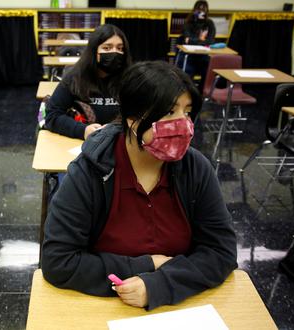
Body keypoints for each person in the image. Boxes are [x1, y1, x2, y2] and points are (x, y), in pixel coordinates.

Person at [42, 61, 237, 310]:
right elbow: (58, 261)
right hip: (100, 309)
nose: (183, 124)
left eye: (187, 112)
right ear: (133, 120)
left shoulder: (195, 168)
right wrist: (147, 265)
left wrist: (159, 284)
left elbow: (221, 251)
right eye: (169, 112)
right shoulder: (91, 172)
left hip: (181, 308)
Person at [44, 24, 132, 140]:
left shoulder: (130, 79)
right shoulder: (75, 78)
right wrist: (83, 130)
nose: (115, 52)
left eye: (120, 48)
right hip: (82, 144)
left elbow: (143, 115)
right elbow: (52, 115)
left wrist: (120, 128)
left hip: (121, 143)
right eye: (107, 48)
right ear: (94, 51)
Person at [177, 0, 216, 91]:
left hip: (203, 55)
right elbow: (187, 40)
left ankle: (202, 91)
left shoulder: (209, 23)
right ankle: (187, 91)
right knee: (187, 71)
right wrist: (202, 40)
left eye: (204, 9)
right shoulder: (188, 23)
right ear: (194, 10)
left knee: (209, 69)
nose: (202, 12)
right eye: (199, 9)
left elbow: (210, 41)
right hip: (188, 54)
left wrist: (193, 40)